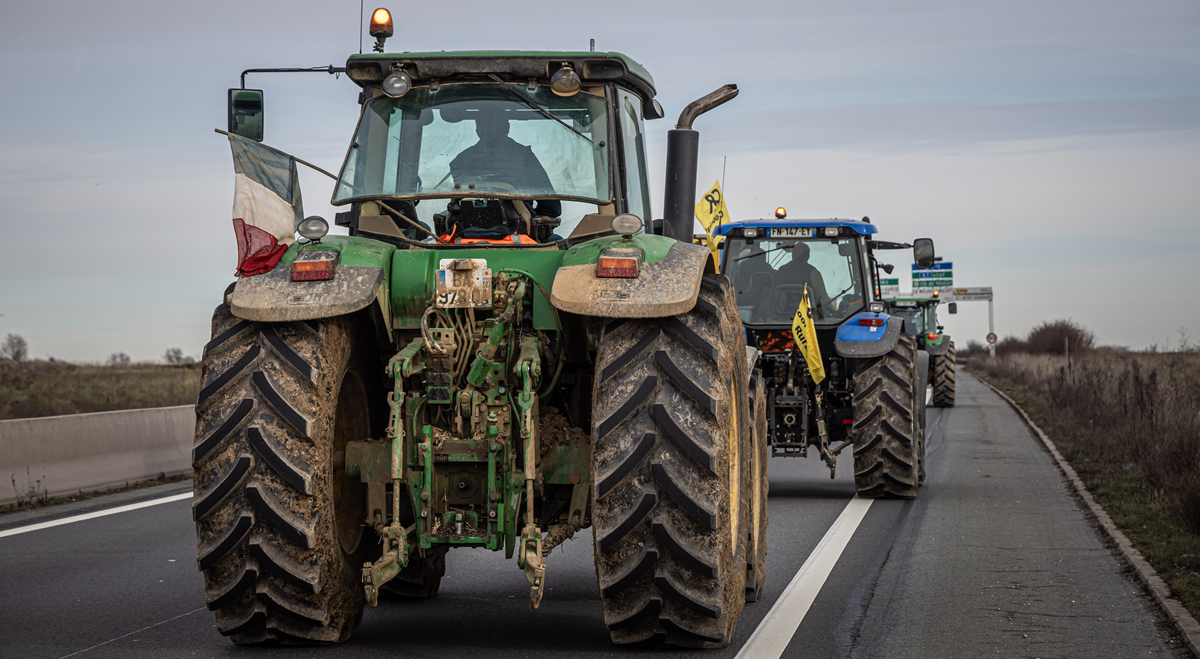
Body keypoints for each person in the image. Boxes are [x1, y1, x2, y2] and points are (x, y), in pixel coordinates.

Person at [448, 110, 561, 219]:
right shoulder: (524, 156)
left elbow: (461, 197)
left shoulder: (460, 160)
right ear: (507, 127)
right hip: (519, 232)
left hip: (466, 231)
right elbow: (552, 208)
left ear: (477, 132)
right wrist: (529, 217)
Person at [775, 242, 832, 319]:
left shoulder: (781, 270)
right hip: (807, 319)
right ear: (807, 256)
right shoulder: (812, 272)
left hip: (781, 317)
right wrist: (833, 310)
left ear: (793, 255)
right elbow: (823, 299)